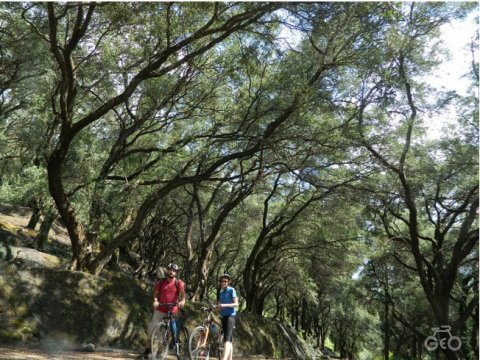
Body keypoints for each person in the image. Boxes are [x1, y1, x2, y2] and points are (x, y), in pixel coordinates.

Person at [139, 263, 186, 359]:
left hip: (172, 310)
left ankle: (160, 352)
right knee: (151, 329)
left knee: (166, 332)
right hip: (160, 309)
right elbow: (155, 295)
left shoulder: (178, 283)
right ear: (167, 270)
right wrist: (155, 301)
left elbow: (183, 296)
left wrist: (182, 302)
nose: (172, 272)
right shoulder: (160, 282)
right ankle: (147, 351)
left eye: (174, 271)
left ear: (176, 273)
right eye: (170, 270)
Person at [216, 273, 238, 360]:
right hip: (223, 316)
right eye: (222, 281)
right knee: (229, 339)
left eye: (226, 281)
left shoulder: (231, 290)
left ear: (228, 282)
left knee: (227, 338)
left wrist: (224, 305)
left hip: (230, 316)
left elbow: (236, 304)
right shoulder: (221, 293)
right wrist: (217, 307)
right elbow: (219, 305)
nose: (224, 282)